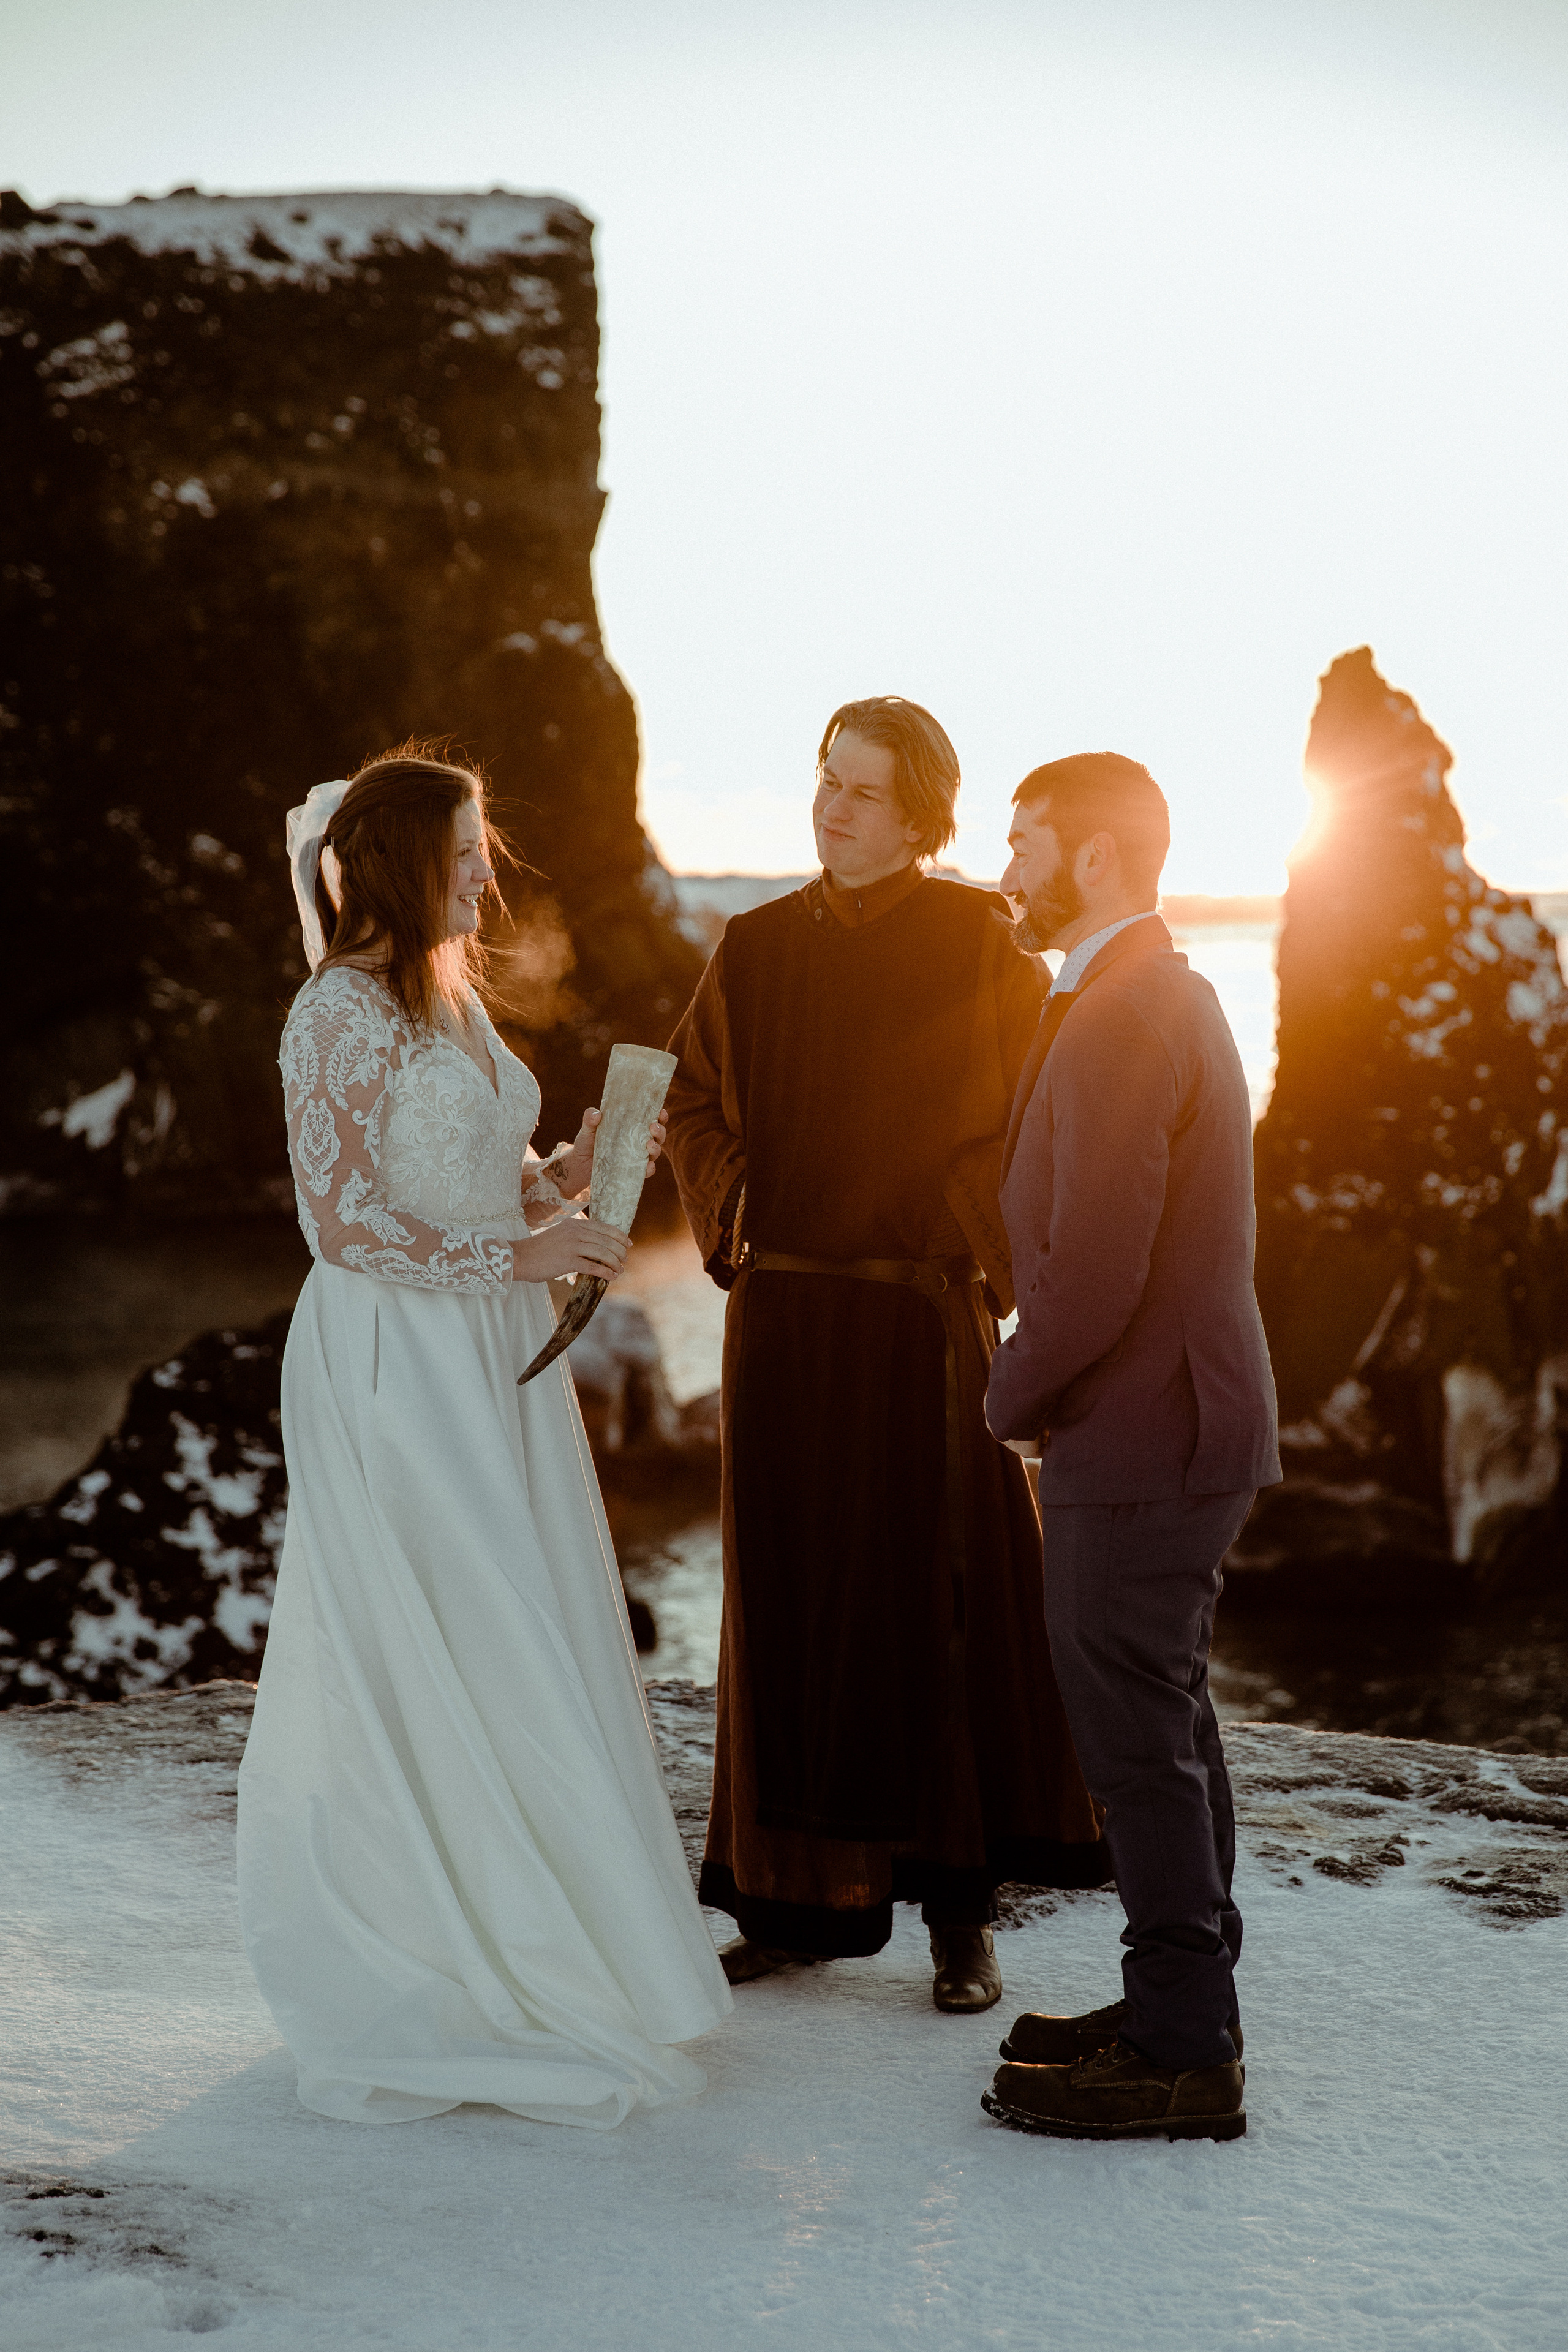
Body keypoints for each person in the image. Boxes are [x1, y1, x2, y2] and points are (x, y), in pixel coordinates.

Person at [237, 747, 731, 2127]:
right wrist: (522, 1258)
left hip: (482, 1355)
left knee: (518, 1623)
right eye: (463, 850)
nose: (484, 871)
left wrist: (565, 1179)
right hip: (392, 1356)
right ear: (400, 859)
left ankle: (545, 1935)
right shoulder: (332, 1015)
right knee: (444, 1630)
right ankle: (445, 1952)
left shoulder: (447, 1002)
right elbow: (338, 1224)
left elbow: (479, 1183)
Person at [662, 697, 1109, 2012]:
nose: (830, 806)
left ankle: (959, 1919)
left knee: (940, 1611)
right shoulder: (746, 946)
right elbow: (693, 1100)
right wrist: (737, 1204)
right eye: (822, 780)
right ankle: (791, 1901)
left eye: (858, 789)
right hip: (784, 1324)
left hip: (921, 1327)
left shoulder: (981, 940)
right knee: (788, 1606)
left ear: (919, 811)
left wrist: (975, 1233)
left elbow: (1037, 1120)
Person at [979, 752, 1280, 2143]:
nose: (1008, 863)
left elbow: (1091, 1276)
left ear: (1097, 857)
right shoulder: (1162, 990)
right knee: (1168, 1721)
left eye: (1026, 840)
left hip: (1145, 1431)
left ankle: (1180, 2053)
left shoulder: (1117, 1016)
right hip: (1186, 1420)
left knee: (1136, 1745)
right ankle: (1179, 2008)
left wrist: (1003, 1397)